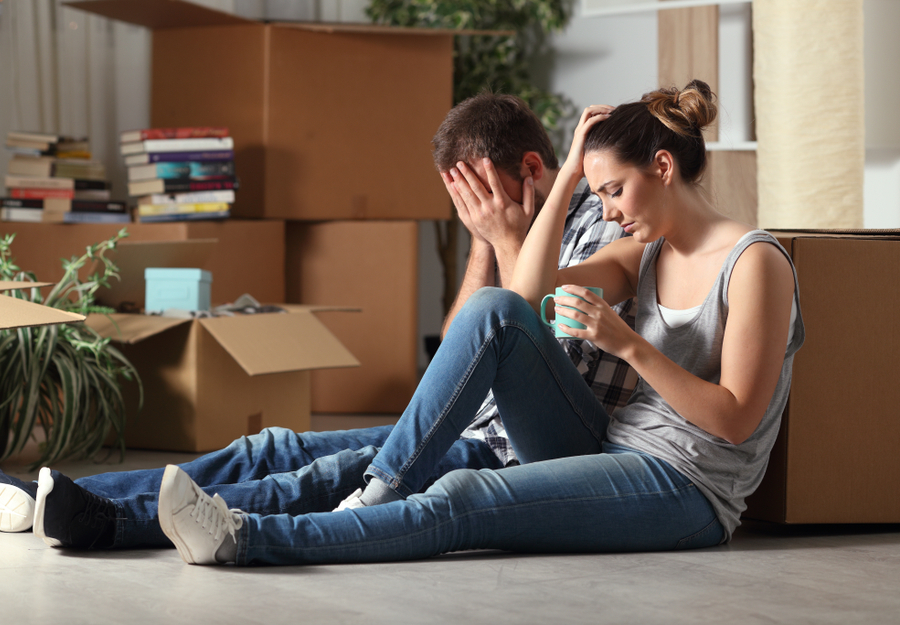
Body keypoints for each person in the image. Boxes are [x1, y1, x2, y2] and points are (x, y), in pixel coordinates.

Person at [0, 93, 636, 549]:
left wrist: (507, 237)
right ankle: (34, 491)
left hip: (522, 449)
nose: (474, 213)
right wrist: (485, 239)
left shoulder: (601, 225)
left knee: (313, 477)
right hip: (476, 424)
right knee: (272, 447)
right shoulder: (511, 235)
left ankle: (99, 519)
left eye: (480, 195)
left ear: (533, 171)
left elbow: (522, 334)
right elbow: (455, 357)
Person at [153, 79, 805, 566]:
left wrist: (628, 344)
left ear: (662, 168)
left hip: (685, 487)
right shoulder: (649, 250)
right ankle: (384, 487)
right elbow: (524, 300)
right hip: (608, 444)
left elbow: (735, 417)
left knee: (465, 496)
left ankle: (243, 537)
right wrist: (572, 166)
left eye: (612, 190)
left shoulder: (754, 262)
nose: (605, 212)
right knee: (496, 309)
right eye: (597, 192)